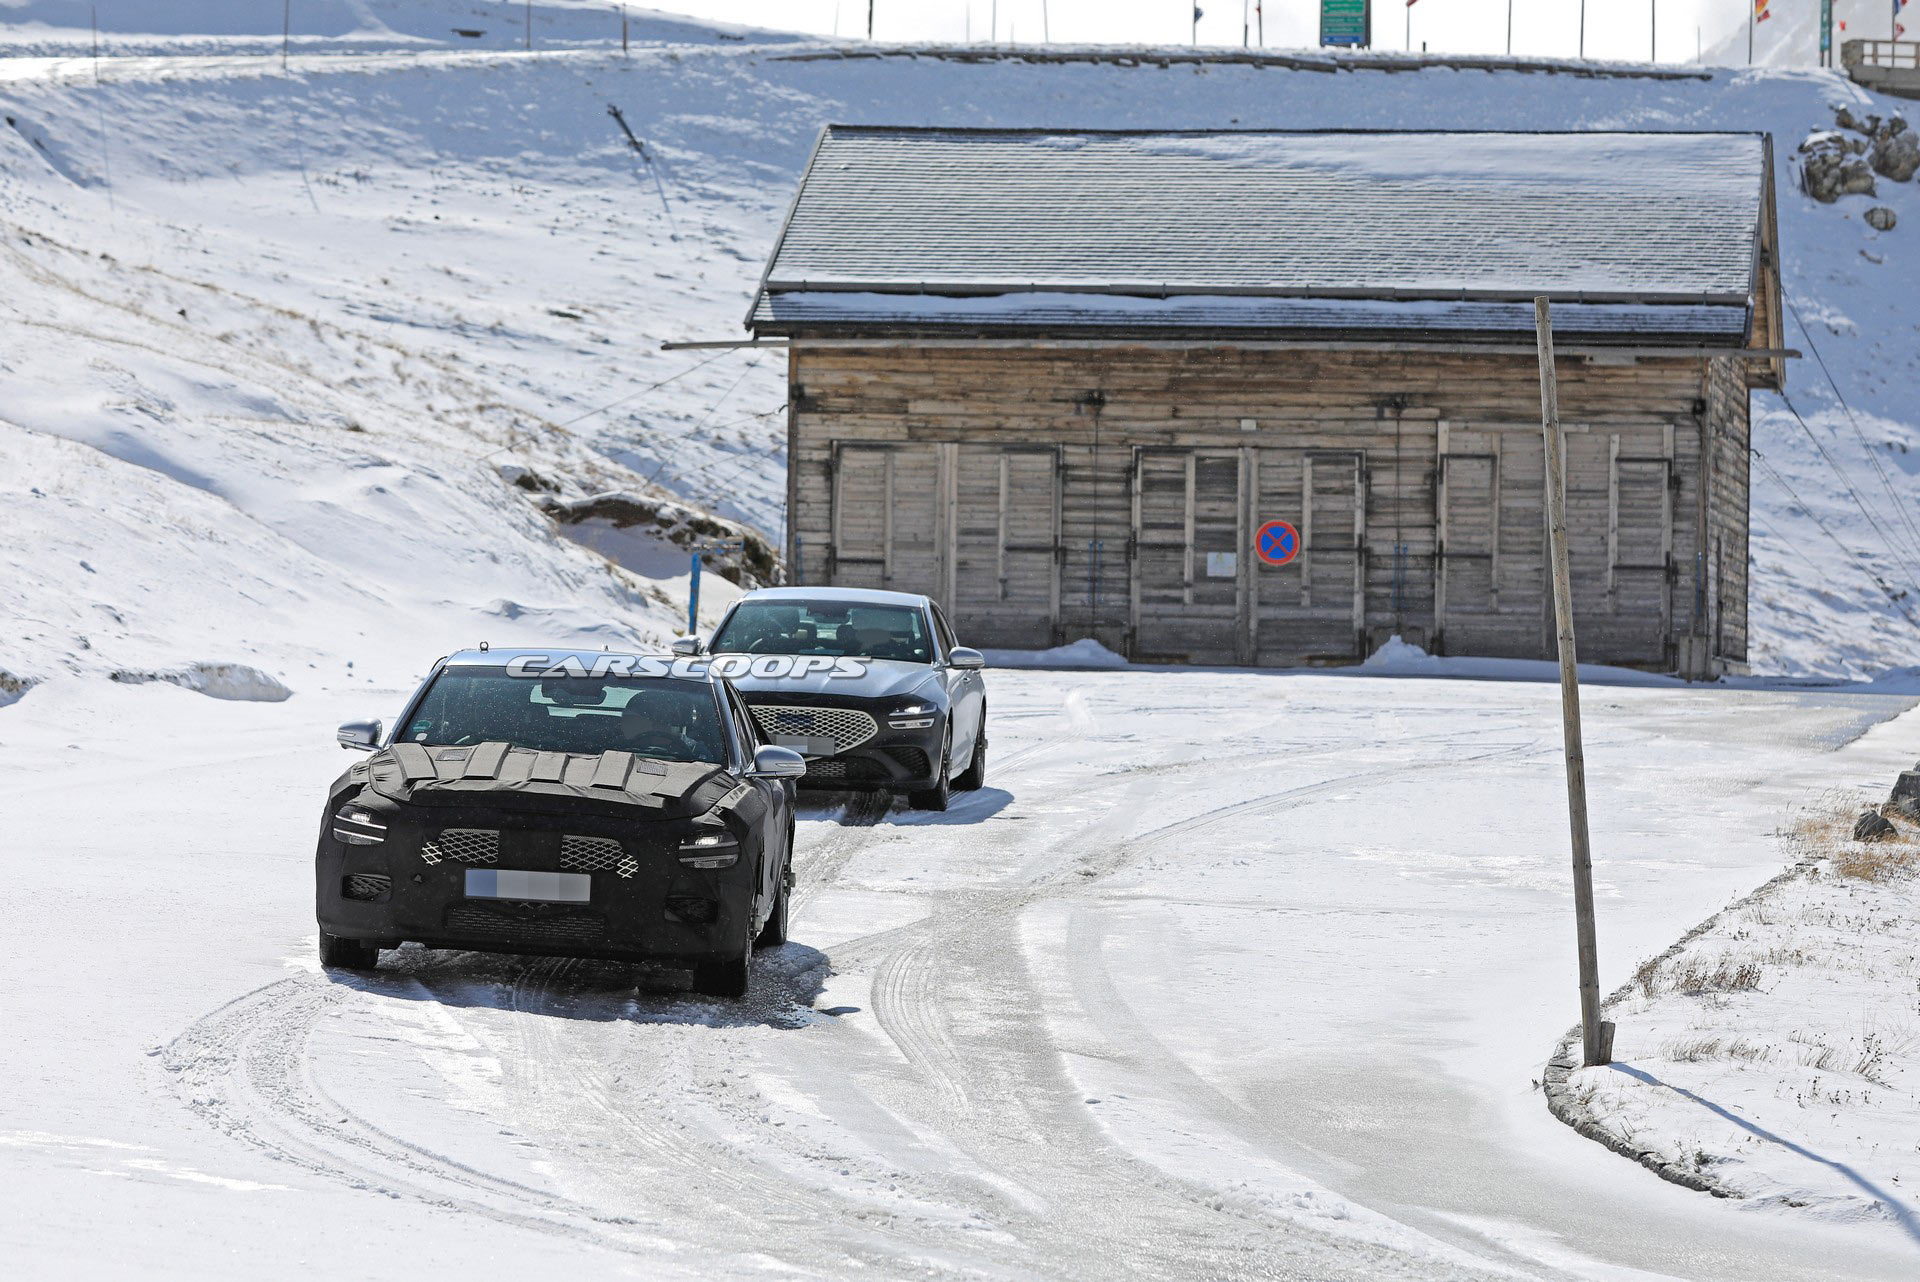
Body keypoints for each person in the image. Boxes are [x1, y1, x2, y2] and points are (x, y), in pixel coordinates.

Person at [618, 696, 698, 760]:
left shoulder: (694, 749)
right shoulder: (619, 746)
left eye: (667, 720)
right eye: (659, 720)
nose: (661, 725)